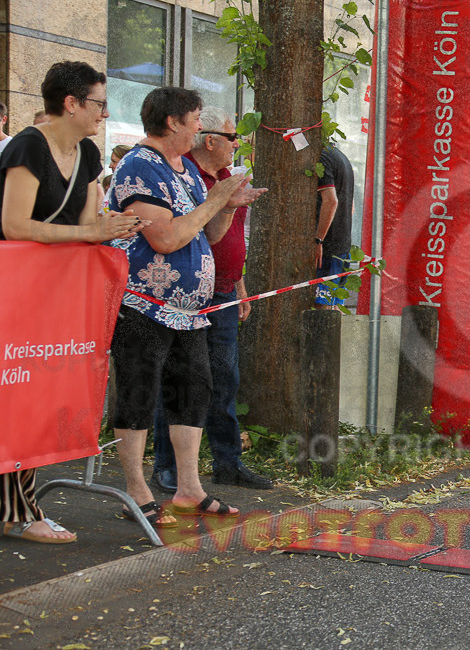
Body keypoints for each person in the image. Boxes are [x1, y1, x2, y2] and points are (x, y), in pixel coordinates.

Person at [1, 61, 148, 544]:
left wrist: (114, 229)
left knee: (24, 398)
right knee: (13, 397)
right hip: (11, 290)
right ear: (71, 102)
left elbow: (89, 223)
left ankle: (18, 510)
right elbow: (15, 225)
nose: (106, 114)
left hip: (43, 294)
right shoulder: (27, 145)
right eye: (100, 103)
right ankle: (18, 512)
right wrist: (90, 232)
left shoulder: (87, 152)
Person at [107, 87, 264, 528]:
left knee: (193, 391)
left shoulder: (186, 170)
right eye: (195, 119)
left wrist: (228, 207)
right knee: (139, 394)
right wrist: (215, 200)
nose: (200, 127)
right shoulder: (140, 165)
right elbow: (165, 237)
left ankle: (189, 489)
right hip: (144, 304)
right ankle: (136, 491)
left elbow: (206, 236)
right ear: (173, 122)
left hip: (189, 309)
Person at [150, 107, 272, 494]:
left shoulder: (225, 178)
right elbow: (199, 235)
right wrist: (222, 203)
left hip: (222, 290)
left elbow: (229, 240)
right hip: (186, 294)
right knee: (178, 380)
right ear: (212, 141)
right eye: (234, 138)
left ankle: (227, 461)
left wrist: (239, 284)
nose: (238, 144)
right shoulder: (184, 176)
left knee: (225, 378)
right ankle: (166, 466)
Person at [313, 143, 356, 309]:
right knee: (335, 307)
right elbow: (350, 206)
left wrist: (318, 240)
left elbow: (331, 201)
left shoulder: (322, 157)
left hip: (328, 248)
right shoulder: (340, 156)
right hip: (342, 245)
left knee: (321, 309)